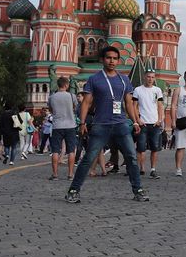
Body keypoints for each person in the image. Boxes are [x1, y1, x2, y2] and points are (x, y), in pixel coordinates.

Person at [64, 47, 149, 203]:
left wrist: (135, 120)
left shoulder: (124, 80)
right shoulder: (94, 79)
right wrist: (82, 122)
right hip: (100, 125)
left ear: (118, 60)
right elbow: (86, 102)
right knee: (88, 158)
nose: (112, 61)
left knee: (131, 157)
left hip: (121, 124)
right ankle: (74, 190)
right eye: (109, 58)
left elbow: (129, 103)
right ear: (103, 59)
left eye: (115, 58)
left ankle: (138, 190)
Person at [133, 70, 164, 177]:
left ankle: (153, 169)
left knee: (154, 148)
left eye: (152, 77)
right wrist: (138, 119)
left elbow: (160, 106)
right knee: (141, 148)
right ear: (144, 77)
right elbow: (134, 106)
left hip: (154, 123)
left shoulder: (158, 90)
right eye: (148, 77)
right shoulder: (138, 90)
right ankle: (141, 168)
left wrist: (159, 120)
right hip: (143, 123)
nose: (150, 79)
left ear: (154, 78)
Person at [47, 76, 78, 180]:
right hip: (70, 126)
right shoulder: (71, 96)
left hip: (57, 126)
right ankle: (70, 174)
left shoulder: (52, 97)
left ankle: (55, 174)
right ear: (66, 85)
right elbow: (75, 107)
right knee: (71, 151)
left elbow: (51, 110)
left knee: (55, 151)